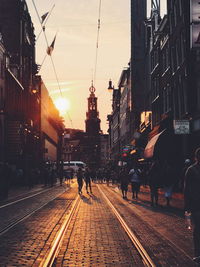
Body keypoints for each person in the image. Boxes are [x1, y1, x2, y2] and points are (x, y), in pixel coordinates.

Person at [184, 147, 200, 264]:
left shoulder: (191, 170)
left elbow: (186, 190)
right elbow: (187, 190)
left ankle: (198, 254)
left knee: (198, 230)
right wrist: (188, 207)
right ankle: (198, 254)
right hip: (196, 205)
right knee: (198, 230)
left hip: (195, 204)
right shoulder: (191, 170)